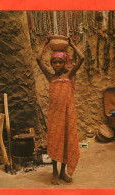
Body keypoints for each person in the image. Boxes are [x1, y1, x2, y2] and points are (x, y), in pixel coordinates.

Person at [36, 35, 85, 185]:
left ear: (65, 63)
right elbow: (38, 60)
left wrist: (72, 44)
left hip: (68, 115)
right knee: (55, 142)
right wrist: (45, 42)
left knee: (66, 142)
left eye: (60, 62)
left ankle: (63, 172)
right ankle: (55, 172)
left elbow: (81, 58)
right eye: (54, 62)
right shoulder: (50, 77)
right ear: (51, 64)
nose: (57, 65)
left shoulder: (69, 75)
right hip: (55, 116)